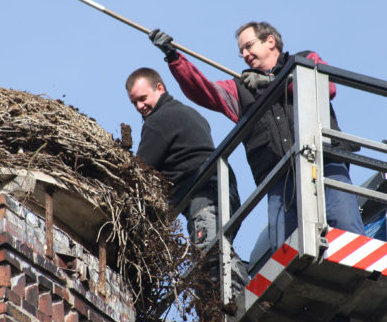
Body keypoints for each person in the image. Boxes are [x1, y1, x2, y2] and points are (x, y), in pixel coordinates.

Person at [148, 21, 366, 254]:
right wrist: (174, 58)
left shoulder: (306, 59)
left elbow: (327, 88)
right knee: (286, 250)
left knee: (346, 226)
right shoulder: (241, 89)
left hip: (325, 163)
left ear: (270, 41)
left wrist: (276, 82)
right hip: (279, 179)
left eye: (249, 45)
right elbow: (203, 90)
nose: (244, 54)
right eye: (241, 51)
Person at [125, 68, 249, 306]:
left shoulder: (158, 121)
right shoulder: (189, 112)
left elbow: (140, 171)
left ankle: (238, 304)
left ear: (160, 88)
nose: (140, 106)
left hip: (203, 194)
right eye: (135, 103)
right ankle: (220, 304)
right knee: (216, 249)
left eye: (143, 98)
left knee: (211, 253)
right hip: (224, 189)